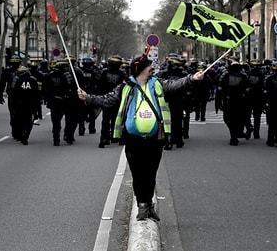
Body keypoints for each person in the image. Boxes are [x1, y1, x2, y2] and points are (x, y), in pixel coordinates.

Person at [78, 54, 204, 221]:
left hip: (155, 137)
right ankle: (142, 205)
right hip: (132, 138)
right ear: (141, 69)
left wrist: (192, 78)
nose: (152, 68)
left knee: (151, 172)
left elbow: (175, 85)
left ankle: (149, 204)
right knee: (138, 173)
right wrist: (88, 97)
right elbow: (108, 100)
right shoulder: (126, 86)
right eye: (149, 65)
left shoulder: (158, 83)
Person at [9, 65, 40, 145]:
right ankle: (26, 135)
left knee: (19, 120)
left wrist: (12, 105)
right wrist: (37, 106)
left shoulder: (16, 80)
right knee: (29, 121)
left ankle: (20, 133)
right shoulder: (33, 79)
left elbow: (13, 92)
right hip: (30, 103)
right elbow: (37, 93)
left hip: (19, 103)